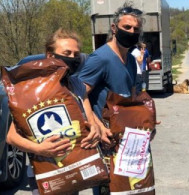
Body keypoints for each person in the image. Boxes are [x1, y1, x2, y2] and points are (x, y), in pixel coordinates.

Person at [6, 28, 102, 194]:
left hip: (75, 167)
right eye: (66, 53)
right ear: (50, 56)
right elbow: (11, 137)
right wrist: (39, 149)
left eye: (75, 54)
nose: (72, 58)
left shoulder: (77, 84)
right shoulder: (32, 90)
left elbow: (91, 122)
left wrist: (95, 131)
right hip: (46, 173)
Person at [78, 3, 143, 194]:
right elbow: (77, 94)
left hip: (126, 140)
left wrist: (144, 120)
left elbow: (130, 98)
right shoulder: (100, 58)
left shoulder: (130, 59)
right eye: (127, 27)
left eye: (136, 29)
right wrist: (95, 123)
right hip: (106, 143)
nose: (131, 32)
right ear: (114, 28)